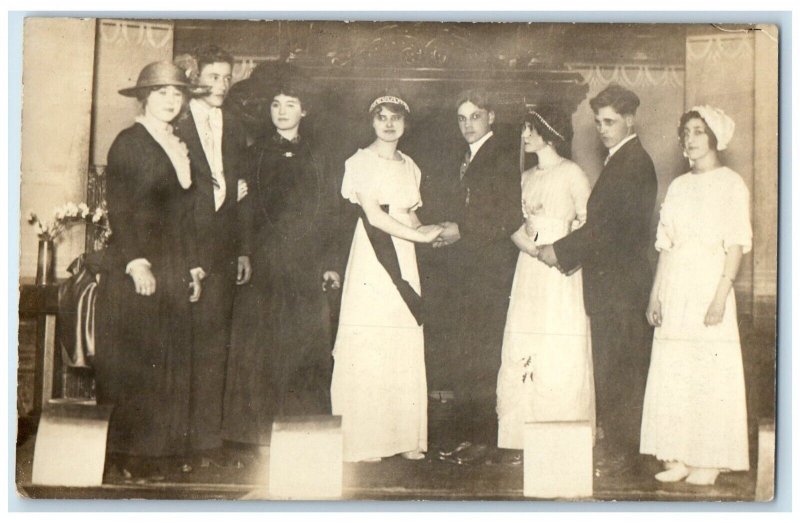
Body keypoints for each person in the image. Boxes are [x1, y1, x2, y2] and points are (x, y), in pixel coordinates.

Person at [537, 84, 657, 474]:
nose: (603, 129)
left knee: (622, 370)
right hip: (613, 285)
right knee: (614, 367)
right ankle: (621, 449)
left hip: (622, 287)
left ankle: (624, 455)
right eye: (598, 122)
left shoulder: (633, 163)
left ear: (629, 120)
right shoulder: (620, 161)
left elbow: (607, 230)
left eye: (610, 122)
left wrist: (560, 250)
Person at [94, 61, 206, 477]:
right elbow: (121, 210)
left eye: (177, 94)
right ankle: (130, 457)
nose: (171, 100)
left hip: (175, 263)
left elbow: (186, 214)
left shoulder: (177, 144)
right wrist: (135, 262)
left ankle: (160, 452)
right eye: (161, 93)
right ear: (144, 98)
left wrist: (194, 266)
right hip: (140, 268)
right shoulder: (129, 143)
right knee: (139, 362)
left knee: (171, 358)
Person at [222, 76, 343, 450]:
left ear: (304, 110)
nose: (282, 112)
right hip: (265, 262)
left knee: (306, 346)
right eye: (275, 104)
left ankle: (304, 431)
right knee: (262, 347)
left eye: (290, 104)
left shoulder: (321, 157)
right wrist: (243, 252)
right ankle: (259, 436)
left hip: (307, 262)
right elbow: (243, 210)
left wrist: (330, 261)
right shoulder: (253, 153)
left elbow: (332, 213)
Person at [640, 106, 751, 486]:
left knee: (709, 370)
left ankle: (712, 457)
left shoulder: (731, 184)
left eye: (699, 131)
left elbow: (736, 244)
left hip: (709, 285)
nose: (690, 139)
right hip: (676, 288)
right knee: (675, 370)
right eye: (686, 131)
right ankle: (679, 454)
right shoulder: (678, 186)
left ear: (714, 137)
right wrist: (655, 296)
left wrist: (721, 295)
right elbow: (665, 247)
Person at [330, 95, 443, 463]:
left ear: (406, 124)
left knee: (404, 336)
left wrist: (434, 232)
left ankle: (406, 436)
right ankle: (367, 440)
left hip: (405, 256)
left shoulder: (411, 166)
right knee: (371, 337)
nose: (389, 124)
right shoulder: (358, 162)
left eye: (396, 118)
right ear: (372, 122)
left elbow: (409, 217)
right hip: (373, 259)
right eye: (382, 117)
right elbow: (376, 217)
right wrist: (422, 235)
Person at [495, 106, 595, 455]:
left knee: (558, 342)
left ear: (548, 132)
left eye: (530, 129)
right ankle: (520, 437)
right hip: (529, 268)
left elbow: (587, 223)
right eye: (523, 129)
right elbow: (514, 224)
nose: (523, 136)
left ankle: (560, 435)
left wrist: (560, 252)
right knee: (526, 339)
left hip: (560, 270)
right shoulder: (526, 177)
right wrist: (531, 248)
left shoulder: (572, 174)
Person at [173, 44, 251, 467]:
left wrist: (241, 249)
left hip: (223, 249)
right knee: (185, 347)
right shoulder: (178, 121)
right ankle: (180, 444)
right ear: (194, 75)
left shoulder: (235, 124)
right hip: (187, 249)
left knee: (215, 348)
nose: (221, 85)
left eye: (227, 77)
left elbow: (237, 189)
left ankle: (207, 444)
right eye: (213, 76)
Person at [434, 89, 522, 464]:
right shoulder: (467, 156)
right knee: (467, 351)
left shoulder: (499, 154)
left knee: (483, 352)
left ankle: (484, 440)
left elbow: (504, 215)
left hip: (490, 270)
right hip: (467, 269)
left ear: (491, 117)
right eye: (462, 118)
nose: (468, 125)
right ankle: (471, 436)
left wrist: (461, 230)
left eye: (475, 116)